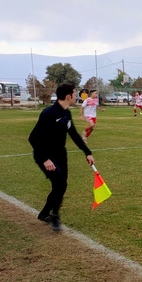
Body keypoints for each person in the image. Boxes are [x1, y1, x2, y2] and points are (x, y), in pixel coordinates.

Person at [28, 82, 95, 231]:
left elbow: (74, 135)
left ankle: (45, 214)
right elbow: (32, 138)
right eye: (74, 93)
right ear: (68, 96)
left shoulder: (66, 113)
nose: (76, 96)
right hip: (45, 155)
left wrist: (87, 152)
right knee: (60, 185)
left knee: (60, 186)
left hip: (60, 154)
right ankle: (55, 216)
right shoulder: (48, 113)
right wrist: (45, 159)